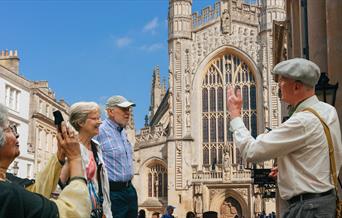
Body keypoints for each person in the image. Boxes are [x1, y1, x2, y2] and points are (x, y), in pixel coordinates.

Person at [226, 58, 342, 217]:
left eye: (282, 81)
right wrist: (290, 168)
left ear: (296, 86)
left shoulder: (302, 121)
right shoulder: (328, 111)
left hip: (307, 209)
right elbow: (321, 150)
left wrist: (235, 115)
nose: (278, 86)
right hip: (325, 201)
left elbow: (251, 151)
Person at [0, 103, 91, 217]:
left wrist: (60, 154)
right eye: (9, 129)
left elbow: (34, 191)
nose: (16, 134)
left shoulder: (7, 181)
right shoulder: (7, 193)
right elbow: (72, 212)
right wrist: (75, 158)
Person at [59, 102, 112, 218]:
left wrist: (106, 212)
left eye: (100, 118)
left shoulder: (96, 147)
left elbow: (102, 185)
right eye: (95, 118)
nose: (100, 122)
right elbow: (59, 184)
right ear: (80, 122)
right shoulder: (71, 146)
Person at [95, 95, 137, 218]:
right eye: (124, 109)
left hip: (130, 190)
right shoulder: (99, 131)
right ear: (110, 111)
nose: (128, 113)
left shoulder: (123, 132)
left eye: (129, 109)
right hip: (112, 192)